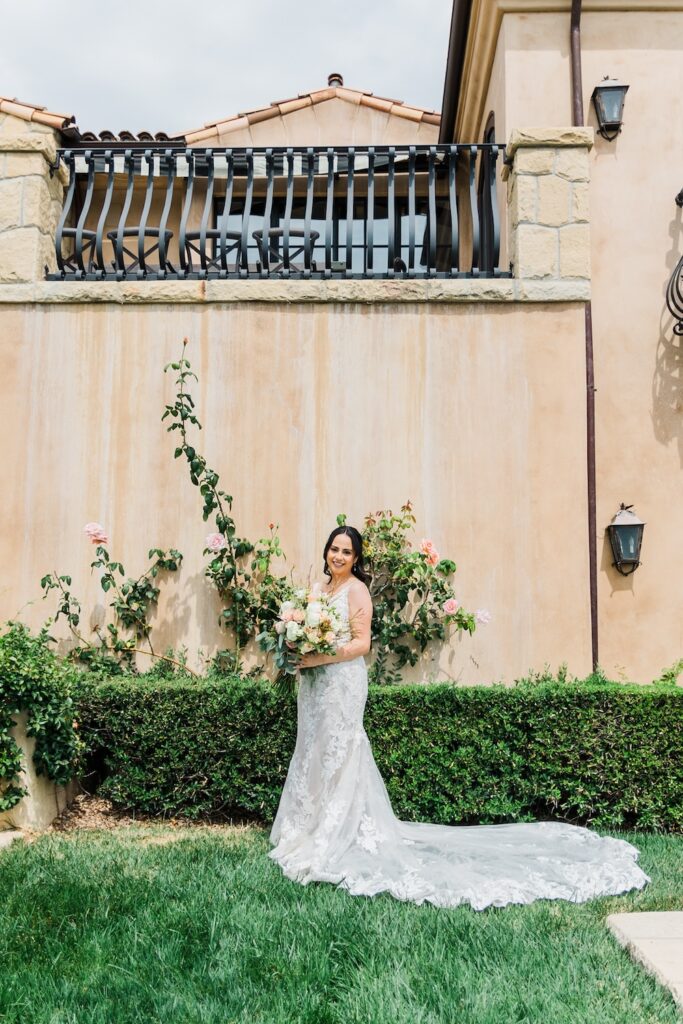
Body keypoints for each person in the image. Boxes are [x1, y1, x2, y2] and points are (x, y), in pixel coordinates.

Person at [268, 525, 649, 911]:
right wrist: (296, 643)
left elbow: (362, 645)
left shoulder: (357, 590)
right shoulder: (317, 592)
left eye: (346, 552)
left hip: (342, 684)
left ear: (356, 558)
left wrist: (317, 656)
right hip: (314, 688)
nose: (338, 557)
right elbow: (306, 636)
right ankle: (307, 826)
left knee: (340, 752)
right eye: (334, 549)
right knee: (313, 751)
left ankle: (334, 834)